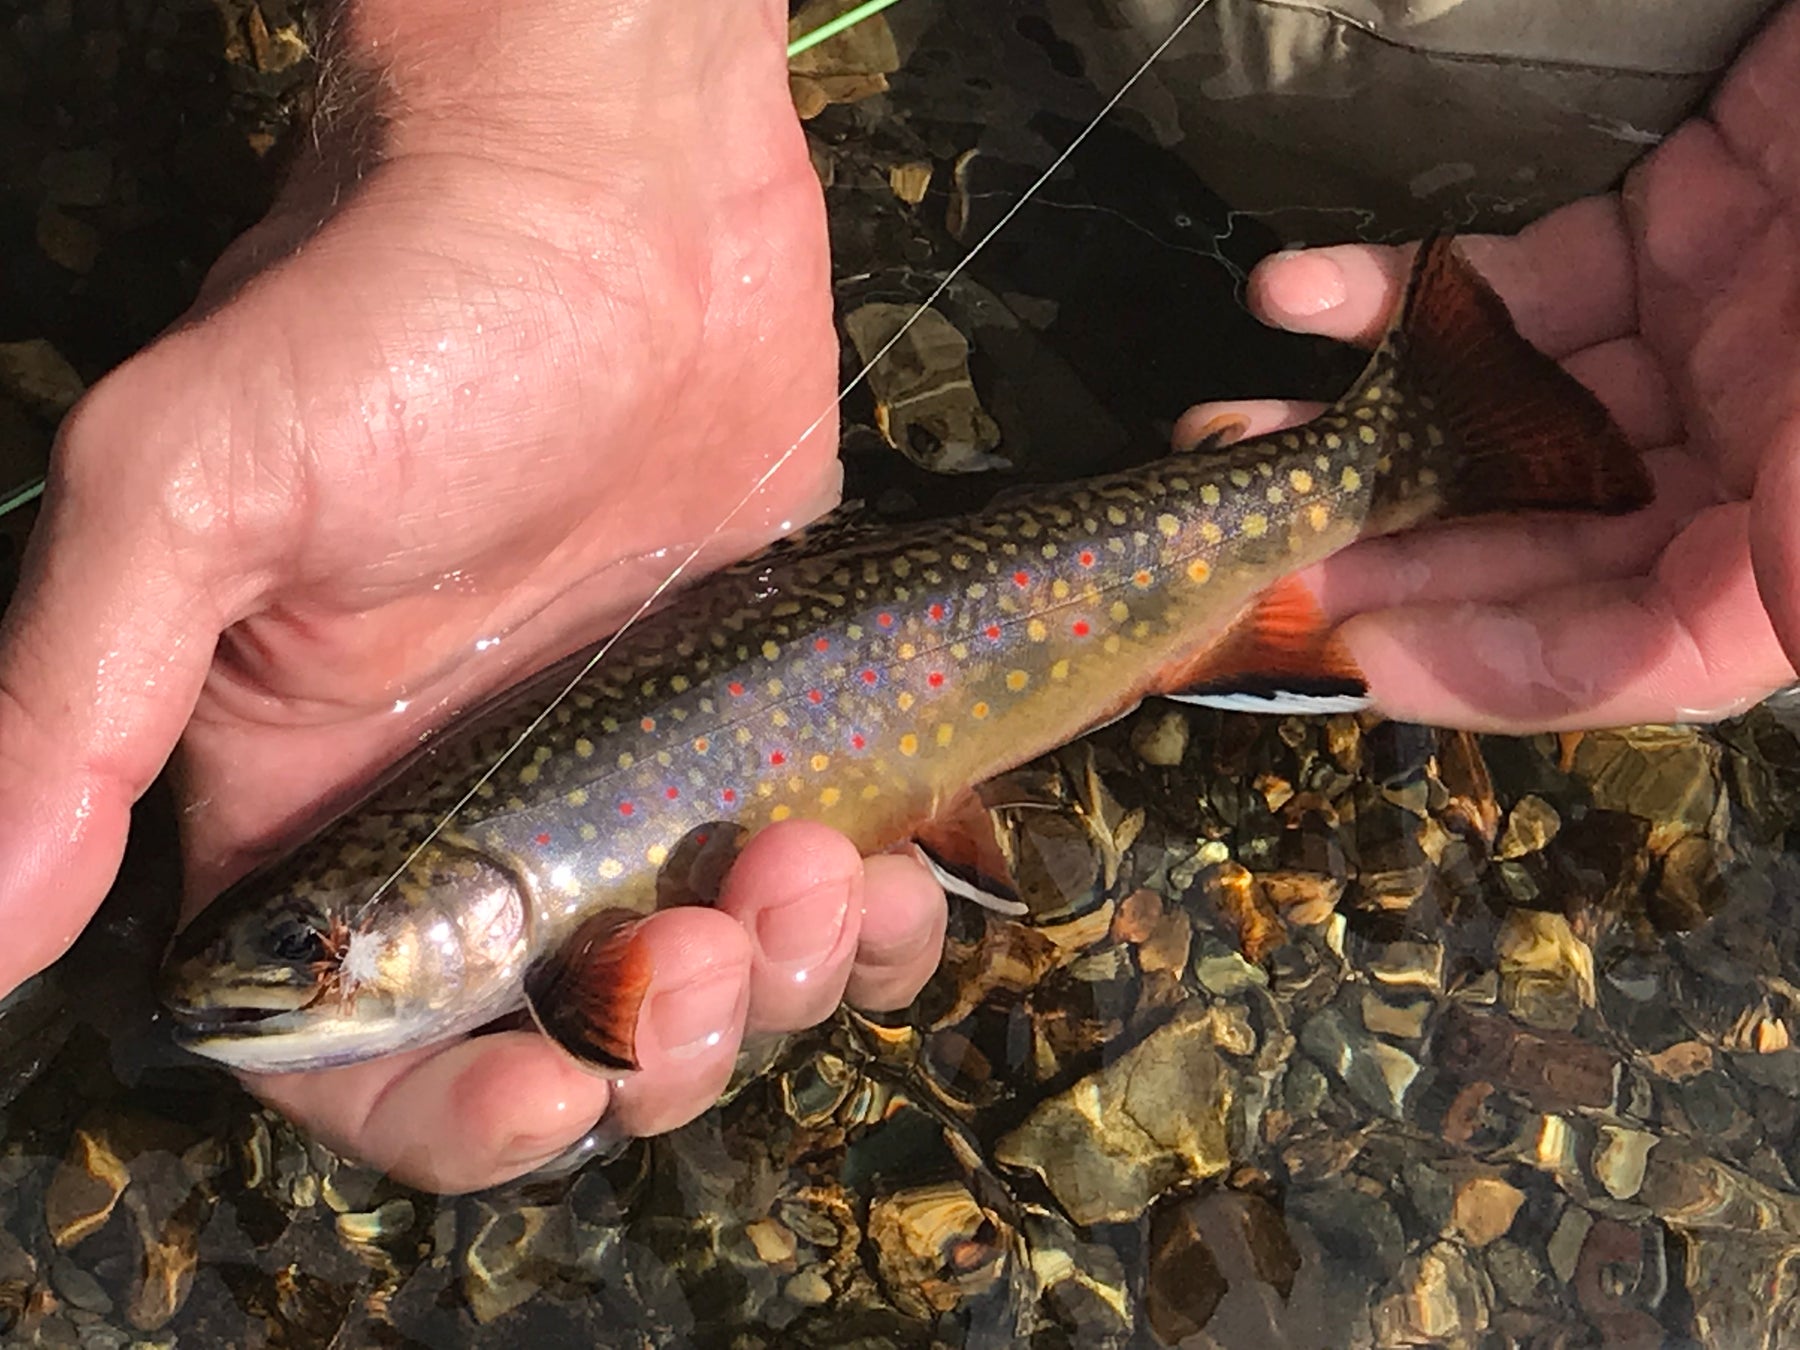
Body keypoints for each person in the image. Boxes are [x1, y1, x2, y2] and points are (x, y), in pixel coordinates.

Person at [0, 0, 1793, 1192]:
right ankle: (1387, 450)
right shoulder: (533, 923)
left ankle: (1397, 448)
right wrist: (542, 88)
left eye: (318, 959)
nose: (299, 986)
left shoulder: (572, 954)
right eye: (304, 964)